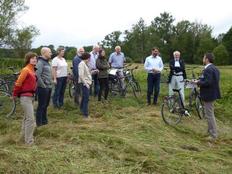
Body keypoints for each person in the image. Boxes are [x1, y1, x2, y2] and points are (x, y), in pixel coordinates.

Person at [13, 52, 37, 145]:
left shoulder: (32, 70)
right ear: (28, 59)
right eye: (32, 58)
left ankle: (22, 138)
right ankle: (29, 142)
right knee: (31, 119)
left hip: (31, 97)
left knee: (26, 118)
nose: (34, 59)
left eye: (35, 58)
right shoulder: (26, 70)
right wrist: (14, 94)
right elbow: (18, 83)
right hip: (25, 97)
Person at [195, 53, 221, 140]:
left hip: (208, 94)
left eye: (203, 57)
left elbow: (208, 82)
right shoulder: (215, 68)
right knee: (209, 113)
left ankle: (213, 135)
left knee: (209, 115)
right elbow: (209, 80)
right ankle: (210, 131)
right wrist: (200, 80)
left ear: (207, 59)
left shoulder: (208, 69)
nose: (203, 59)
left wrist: (197, 82)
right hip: (212, 94)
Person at [36, 47, 52, 127]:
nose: (51, 53)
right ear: (44, 53)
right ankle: (39, 123)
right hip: (43, 88)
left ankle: (44, 121)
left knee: (46, 105)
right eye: (49, 52)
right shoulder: (40, 62)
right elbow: (37, 76)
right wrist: (43, 86)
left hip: (48, 87)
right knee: (41, 105)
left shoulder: (47, 62)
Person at [78, 52, 92, 117]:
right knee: (86, 98)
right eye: (89, 58)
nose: (89, 59)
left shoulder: (85, 64)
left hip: (86, 82)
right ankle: (85, 114)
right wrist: (86, 84)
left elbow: (86, 73)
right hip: (84, 83)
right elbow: (81, 75)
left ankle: (81, 109)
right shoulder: (81, 64)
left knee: (84, 97)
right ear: (87, 58)